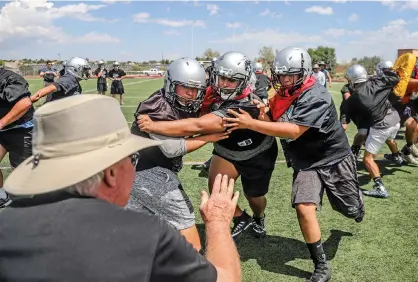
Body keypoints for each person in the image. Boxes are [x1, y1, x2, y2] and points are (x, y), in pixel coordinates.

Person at [0, 94, 242, 282]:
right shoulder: (145, 235)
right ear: (111, 173)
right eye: (131, 158)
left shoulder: (7, 228)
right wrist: (218, 222)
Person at [223, 46, 364, 282]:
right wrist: (260, 113)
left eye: (291, 75)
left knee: (348, 209)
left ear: (305, 73)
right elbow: (273, 119)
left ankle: (356, 203)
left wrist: (250, 124)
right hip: (306, 162)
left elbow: (293, 130)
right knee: (303, 207)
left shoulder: (316, 95)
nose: (285, 80)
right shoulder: (283, 94)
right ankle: (321, 265)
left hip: (333, 158)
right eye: (281, 74)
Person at [137, 51, 278, 242]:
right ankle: (240, 218)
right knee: (217, 188)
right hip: (226, 150)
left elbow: (198, 126)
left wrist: (153, 126)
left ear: (243, 82)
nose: (224, 84)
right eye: (221, 78)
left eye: (232, 80)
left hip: (257, 152)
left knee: (254, 196)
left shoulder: (246, 104)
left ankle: (258, 218)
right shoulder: (209, 91)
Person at [127, 57, 228, 251]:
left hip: (133, 172)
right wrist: (209, 137)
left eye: (195, 89)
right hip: (150, 174)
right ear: (171, 84)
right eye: (185, 88)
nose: (191, 94)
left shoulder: (182, 101)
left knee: (142, 237)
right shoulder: (155, 108)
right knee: (190, 237)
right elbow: (172, 148)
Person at [343, 64, 403, 198]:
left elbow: (349, 115)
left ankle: (380, 187)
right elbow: (395, 78)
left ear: (352, 80)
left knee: (368, 159)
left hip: (382, 125)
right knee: (388, 138)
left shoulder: (354, 98)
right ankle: (396, 155)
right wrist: (378, 77)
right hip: (395, 120)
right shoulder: (376, 82)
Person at [0, 68, 34, 208]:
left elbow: (25, 103)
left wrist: (1, 123)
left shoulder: (9, 78)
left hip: (22, 130)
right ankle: (2, 196)